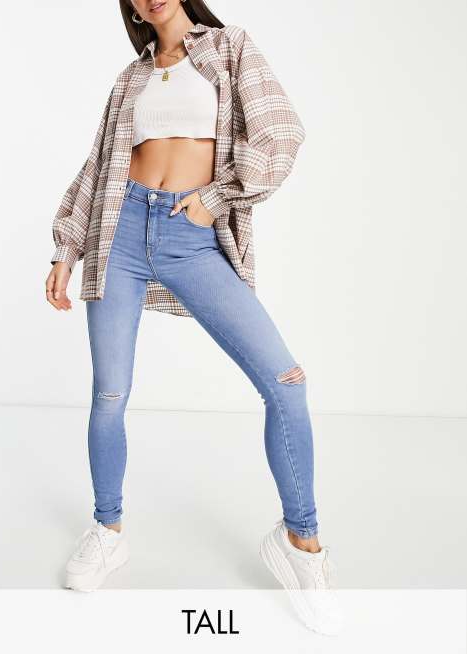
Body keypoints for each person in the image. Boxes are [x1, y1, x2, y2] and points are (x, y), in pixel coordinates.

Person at [46, 0, 342, 634]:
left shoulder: (229, 48)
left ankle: (301, 542)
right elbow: (98, 166)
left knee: (286, 383)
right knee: (109, 394)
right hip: (118, 234)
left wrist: (215, 196)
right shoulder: (131, 77)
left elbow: (282, 131)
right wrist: (67, 250)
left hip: (190, 234)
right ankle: (107, 530)